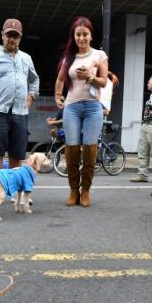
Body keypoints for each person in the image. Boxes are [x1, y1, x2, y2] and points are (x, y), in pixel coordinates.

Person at [54, 16, 108, 207]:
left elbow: (104, 81)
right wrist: (58, 95)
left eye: (85, 34)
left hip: (93, 107)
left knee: (90, 148)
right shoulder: (69, 58)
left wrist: (91, 77)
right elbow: (60, 79)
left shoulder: (99, 55)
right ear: (74, 36)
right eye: (78, 34)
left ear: (91, 36)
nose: (81, 38)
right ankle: (73, 190)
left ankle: (85, 191)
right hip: (72, 107)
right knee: (72, 148)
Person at [0, 18, 39, 173]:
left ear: (20, 37)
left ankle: (13, 193)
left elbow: (34, 79)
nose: (12, 39)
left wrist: (32, 95)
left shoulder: (26, 58)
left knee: (17, 155)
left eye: (15, 36)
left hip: (20, 113)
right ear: (2, 35)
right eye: (9, 35)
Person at [131, 74, 152, 183]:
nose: (147, 83)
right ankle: (142, 175)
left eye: (149, 81)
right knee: (142, 150)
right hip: (145, 124)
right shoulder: (150, 95)